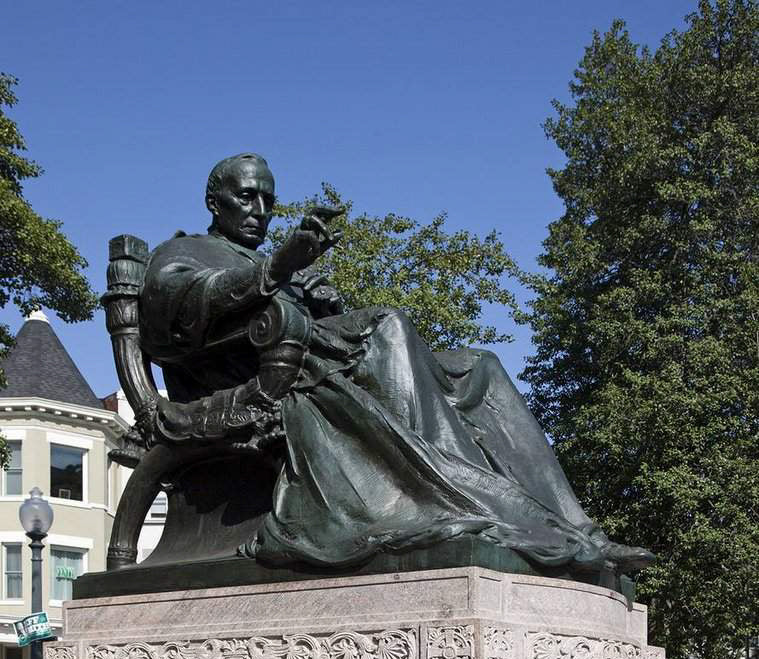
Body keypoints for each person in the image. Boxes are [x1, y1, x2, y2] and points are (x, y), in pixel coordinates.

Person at [140, 153, 653, 575]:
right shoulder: (182, 251)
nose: (259, 209)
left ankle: (578, 530)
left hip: (317, 362)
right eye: (245, 196)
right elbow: (176, 318)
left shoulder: (261, 260)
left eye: (268, 201)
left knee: (481, 367)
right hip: (265, 382)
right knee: (388, 325)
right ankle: (482, 507)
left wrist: (313, 298)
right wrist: (280, 271)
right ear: (214, 201)